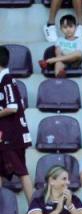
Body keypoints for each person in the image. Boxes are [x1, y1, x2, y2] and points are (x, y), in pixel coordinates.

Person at [0, 46, 33, 202]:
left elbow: (12, 107)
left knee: (21, 171)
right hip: (5, 137)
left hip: (11, 137)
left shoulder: (7, 80)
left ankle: (35, 209)